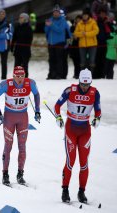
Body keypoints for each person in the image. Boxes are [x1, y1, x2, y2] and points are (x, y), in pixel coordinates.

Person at [54, 68, 101, 204]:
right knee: (71, 161)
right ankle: (65, 190)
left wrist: (97, 118)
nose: (85, 88)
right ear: (79, 82)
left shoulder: (95, 93)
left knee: (84, 163)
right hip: (71, 129)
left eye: (87, 85)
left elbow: (98, 110)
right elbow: (57, 105)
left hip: (85, 130)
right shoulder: (70, 90)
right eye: (82, 84)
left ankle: (81, 191)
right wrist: (58, 117)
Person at [0, 66, 41, 186]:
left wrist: (37, 111)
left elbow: (37, 94)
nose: (20, 79)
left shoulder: (30, 83)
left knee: (22, 146)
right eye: (17, 77)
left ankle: (20, 174)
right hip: (9, 117)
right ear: (13, 76)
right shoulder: (6, 84)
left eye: (22, 76)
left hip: (23, 117)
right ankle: (5, 174)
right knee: (8, 146)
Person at [44, 4, 71, 79]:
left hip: (59, 43)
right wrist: (47, 26)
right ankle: (51, 74)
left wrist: (51, 25)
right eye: (54, 12)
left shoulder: (63, 20)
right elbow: (46, 31)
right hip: (51, 43)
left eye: (57, 12)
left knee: (59, 60)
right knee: (51, 60)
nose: (55, 13)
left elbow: (60, 30)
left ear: (59, 13)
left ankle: (59, 74)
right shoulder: (50, 19)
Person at [74, 8, 99, 72]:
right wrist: (82, 34)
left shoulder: (93, 22)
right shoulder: (79, 24)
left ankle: (91, 74)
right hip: (82, 45)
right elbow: (76, 33)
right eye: (83, 15)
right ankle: (83, 74)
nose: (84, 16)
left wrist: (86, 34)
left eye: (86, 15)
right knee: (83, 61)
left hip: (92, 45)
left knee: (92, 60)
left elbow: (96, 31)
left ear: (88, 15)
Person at [10, 13, 33, 77]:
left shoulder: (29, 28)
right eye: (19, 17)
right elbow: (14, 38)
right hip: (18, 50)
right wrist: (12, 46)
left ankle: (25, 78)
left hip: (25, 50)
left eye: (21, 17)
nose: (20, 19)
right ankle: (16, 78)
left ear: (25, 19)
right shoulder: (17, 27)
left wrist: (25, 46)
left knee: (24, 66)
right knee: (17, 65)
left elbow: (30, 39)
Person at [69, 15, 82, 79]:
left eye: (79, 19)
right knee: (75, 62)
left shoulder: (82, 26)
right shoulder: (72, 27)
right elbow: (70, 36)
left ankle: (80, 74)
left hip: (81, 46)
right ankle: (76, 74)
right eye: (77, 19)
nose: (78, 20)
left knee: (80, 62)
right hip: (73, 47)